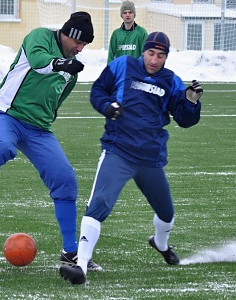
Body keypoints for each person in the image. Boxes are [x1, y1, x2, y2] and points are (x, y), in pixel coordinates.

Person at [0, 11, 102, 271]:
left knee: (65, 180)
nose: (80, 49)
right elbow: (38, 61)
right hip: (7, 114)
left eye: (85, 45)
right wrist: (60, 64)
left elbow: (58, 100)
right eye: (79, 42)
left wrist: (49, 110)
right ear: (66, 34)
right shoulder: (40, 37)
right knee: (1, 147)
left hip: (39, 129)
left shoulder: (72, 72)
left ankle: (70, 252)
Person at [60, 31, 204, 284]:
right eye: (151, 53)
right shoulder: (122, 65)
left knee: (167, 213)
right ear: (143, 52)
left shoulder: (172, 81)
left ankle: (161, 244)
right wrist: (107, 106)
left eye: (161, 55)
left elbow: (185, 120)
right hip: (119, 151)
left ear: (166, 57)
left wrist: (191, 101)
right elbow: (97, 91)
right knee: (98, 205)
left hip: (150, 157)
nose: (154, 60)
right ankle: (80, 266)